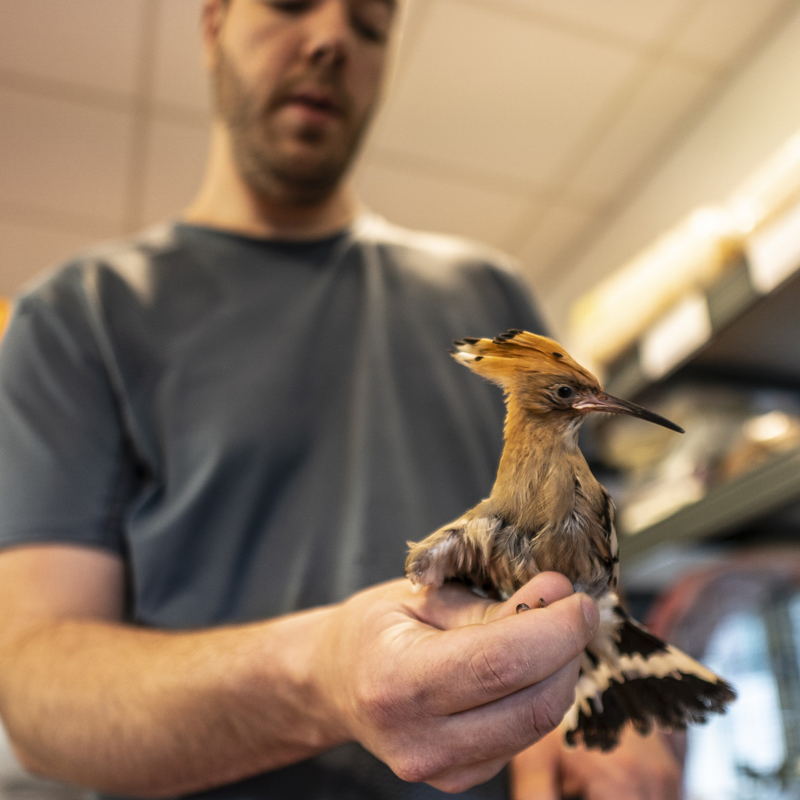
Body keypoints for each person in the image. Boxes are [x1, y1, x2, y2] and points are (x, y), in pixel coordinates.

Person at [0, 1, 681, 798]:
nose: (329, 41)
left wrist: (607, 711)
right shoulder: (79, 319)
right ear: (213, 23)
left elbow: (584, 572)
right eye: (291, 3)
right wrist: (318, 675)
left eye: (367, 23)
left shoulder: (491, 303)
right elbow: (36, 690)